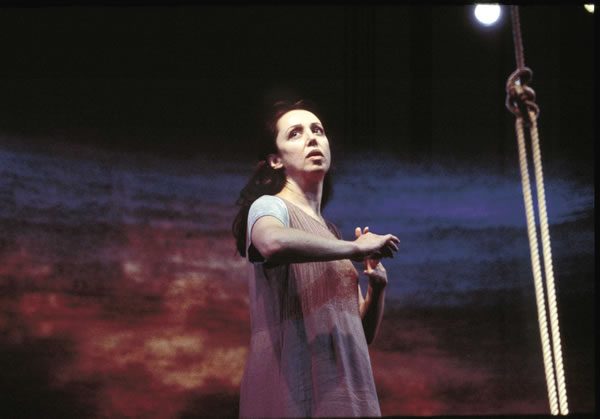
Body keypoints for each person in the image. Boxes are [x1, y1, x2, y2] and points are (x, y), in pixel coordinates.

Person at [232, 99, 400, 418]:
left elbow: (359, 334)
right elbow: (271, 242)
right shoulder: (270, 206)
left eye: (317, 130)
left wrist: (377, 288)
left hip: (346, 390)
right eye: (295, 133)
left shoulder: (330, 235)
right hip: (297, 388)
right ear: (275, 160)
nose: (311, 138)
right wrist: (354, 248)